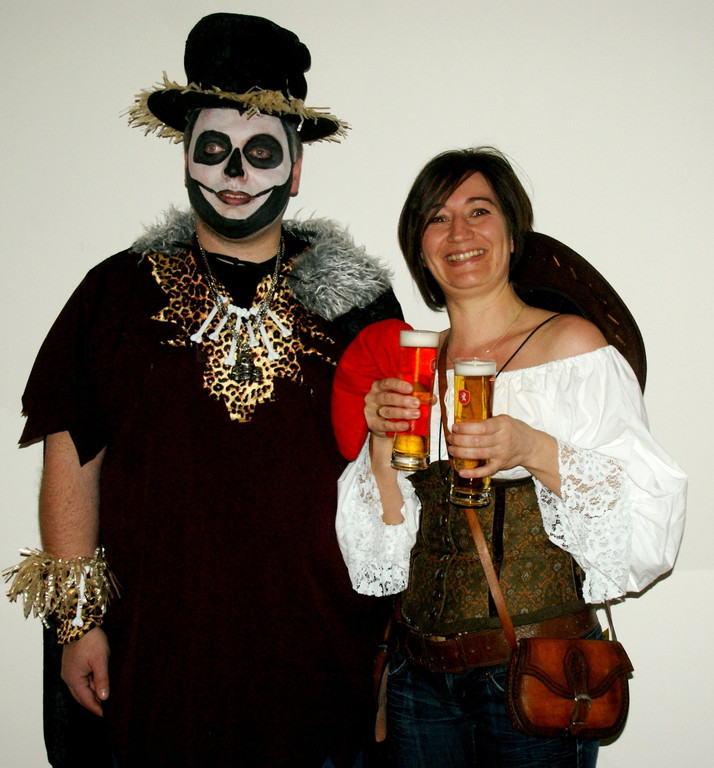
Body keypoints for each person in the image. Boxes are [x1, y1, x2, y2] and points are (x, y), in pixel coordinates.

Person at [5, 13, 402, 768]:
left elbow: (398, 474)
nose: (235, 173)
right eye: (214, 148)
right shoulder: (115, 294)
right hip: (157, 657)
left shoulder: (358, 301)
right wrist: (78, 622)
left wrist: (392, 632)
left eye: (261, 152)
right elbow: (71, 459)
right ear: (185, 157)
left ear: (295, 169)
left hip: (321, 654)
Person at [332, 147, 686, 767]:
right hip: (418, 682)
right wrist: (382, 439)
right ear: (419, 247)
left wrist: (531, 447)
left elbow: (645, 516)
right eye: (438, 218)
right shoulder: (415, 365)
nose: (459, 234)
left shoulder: (571, 348)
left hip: (534, 674)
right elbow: (382, 557)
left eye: (479, 211)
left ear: (512, 231)